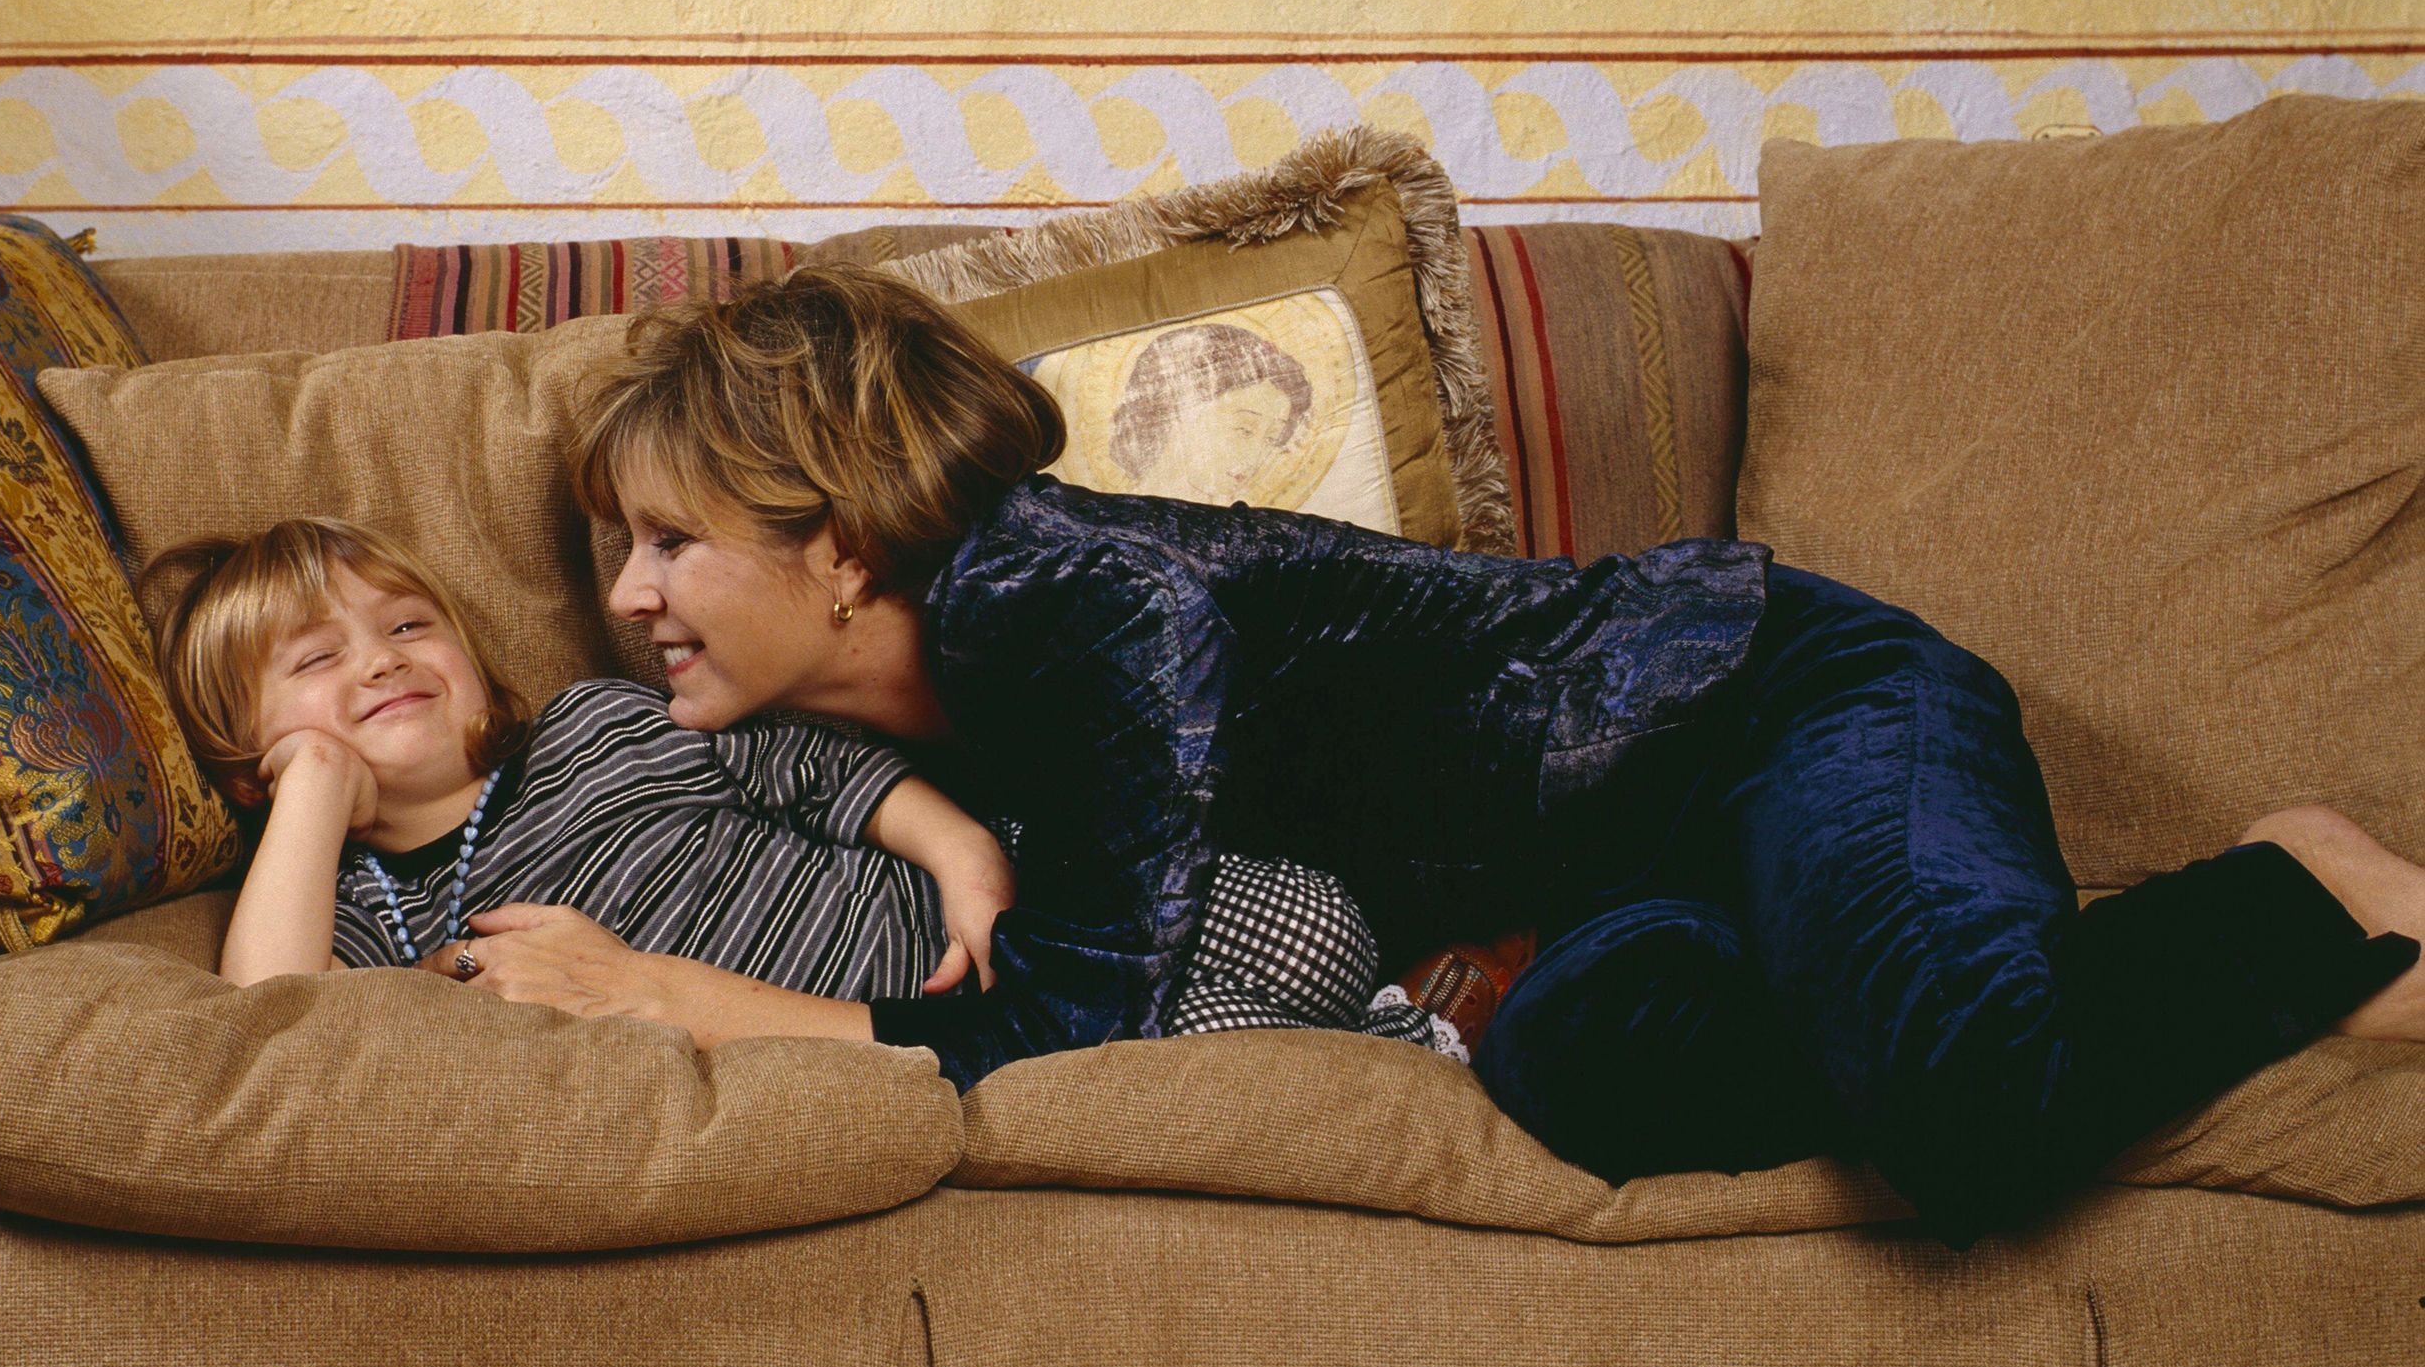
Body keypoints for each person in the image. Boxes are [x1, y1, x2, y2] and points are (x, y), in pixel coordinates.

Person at [444, 267, 2421, 1250]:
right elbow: (749, 793)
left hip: (1784, 705)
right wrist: (945, 835)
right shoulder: (927, 700)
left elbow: (1074, 1021)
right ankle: (2060, 975)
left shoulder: (1067, 603)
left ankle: (2303, 885)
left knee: (1967, 1100)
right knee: (1589, 1070)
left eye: (669, 543)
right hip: (1628, 890)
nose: (624, 597)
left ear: (842, 540)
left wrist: (673, 1000)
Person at [145, 514, 1449, 1049]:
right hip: (877, 1034)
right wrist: (316, 791)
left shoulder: (596, 723)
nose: (383, 660)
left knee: (1317, 922)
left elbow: (818, 769)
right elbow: (271, 1032)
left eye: (411, 625)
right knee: (1220, 1058)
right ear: (248, 761)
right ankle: (1409, 1063)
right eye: (318, 663)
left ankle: (1398, 1005)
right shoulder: (366, 925)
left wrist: (960, 856)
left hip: (976, 919)